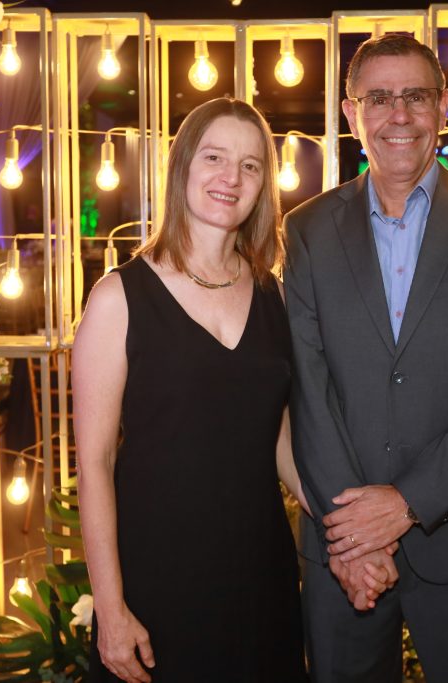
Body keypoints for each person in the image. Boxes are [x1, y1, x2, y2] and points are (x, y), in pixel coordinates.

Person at [283, 34, 448, 683]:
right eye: (378, 98)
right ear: (352, 114)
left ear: (443, 106)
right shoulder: (307, 230)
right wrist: (352, 535)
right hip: (342, 555)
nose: (398, 114)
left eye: (415, 96)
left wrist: (407, 502)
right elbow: (308, 388)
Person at [72, 97, 313, 683]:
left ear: (264, 186)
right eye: (214, 157)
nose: (232, 177)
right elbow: (95, 463)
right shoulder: (118, 298)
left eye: (250, 165)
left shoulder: (274, 295)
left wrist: (345, 523)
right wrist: (111, 609)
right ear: (182, 165)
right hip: (158, 580)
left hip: (260, 576)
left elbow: (277, 437)